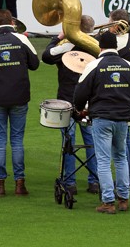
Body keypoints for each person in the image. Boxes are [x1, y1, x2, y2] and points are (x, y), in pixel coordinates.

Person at [74, 32, 130, 214]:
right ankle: (124, 198)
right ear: (116, 46)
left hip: (101, 118)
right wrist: (126, 105)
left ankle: (108, 201)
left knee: (104, 161)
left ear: (100, 47)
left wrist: (81, 109)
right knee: (121, 157)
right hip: (122, 119)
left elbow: (80, 94)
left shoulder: (94, 65)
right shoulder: (128, 65)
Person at [0, 9, 40, 196]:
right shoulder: (22, 40)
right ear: (12, 22)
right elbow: (35, 64)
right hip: (19, 96)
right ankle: (20, 183)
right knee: (17, 140)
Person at [42, 15, 99, 195]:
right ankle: (95, 181)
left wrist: (58, 37)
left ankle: (70, 182)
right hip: (90, 101)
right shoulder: (97, 45)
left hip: (67, 99)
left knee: (68, 141)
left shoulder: (67, 46)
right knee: (92, 141)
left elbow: (46, 56)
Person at [108, 9, 130, 188]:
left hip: (122, 93)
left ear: (116, 24)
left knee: (123, 141)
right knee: (125, 138)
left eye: (110, 23)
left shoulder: (120, 42)